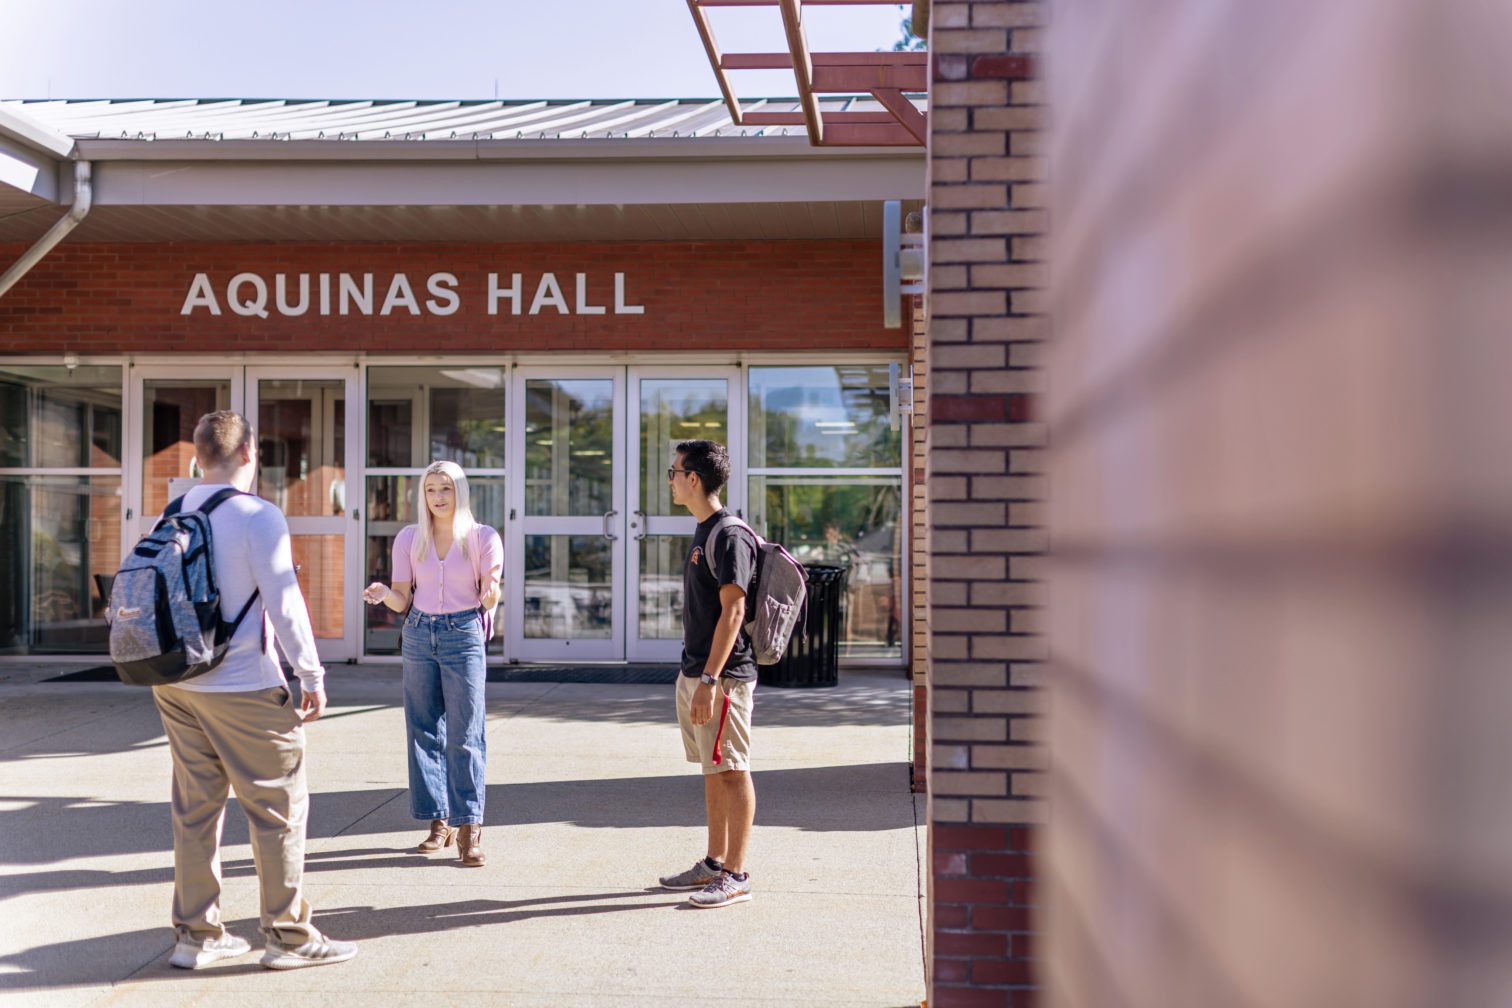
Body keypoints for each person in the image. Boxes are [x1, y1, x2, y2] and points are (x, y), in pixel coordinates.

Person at [156, 410, 356, 971]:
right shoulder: (258, 516)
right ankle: (288, 938)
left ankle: (196, 936)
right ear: (250, 455)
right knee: (279, 811)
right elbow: (284, 603)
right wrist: (311, 676)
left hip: (177, 683)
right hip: (243, 684)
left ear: (197, 457)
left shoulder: (173, 512)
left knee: (195, 810)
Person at [364, 460, 501, 867]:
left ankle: (469, 828)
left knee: (466, 733)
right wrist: (383, 593)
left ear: (460, 492)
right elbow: (403, 599)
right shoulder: (409, 538)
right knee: (423, 729)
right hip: (419, 633)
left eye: (446, 488)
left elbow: (490, 595)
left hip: (463, 635)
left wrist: (492, 590)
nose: (438, 497)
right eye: (430, 490)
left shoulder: (482, 538)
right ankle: (438, 821)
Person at [657, 439, 759, 908]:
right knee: (712, 769)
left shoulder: (730, 534)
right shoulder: (704, 529)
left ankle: (736, 875)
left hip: (724, 678)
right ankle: (714, 864)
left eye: (674, 471)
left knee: (732, 770)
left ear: (693, 479)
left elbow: (733, 611)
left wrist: (711, 681)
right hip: (698, 672)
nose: (671, 479)